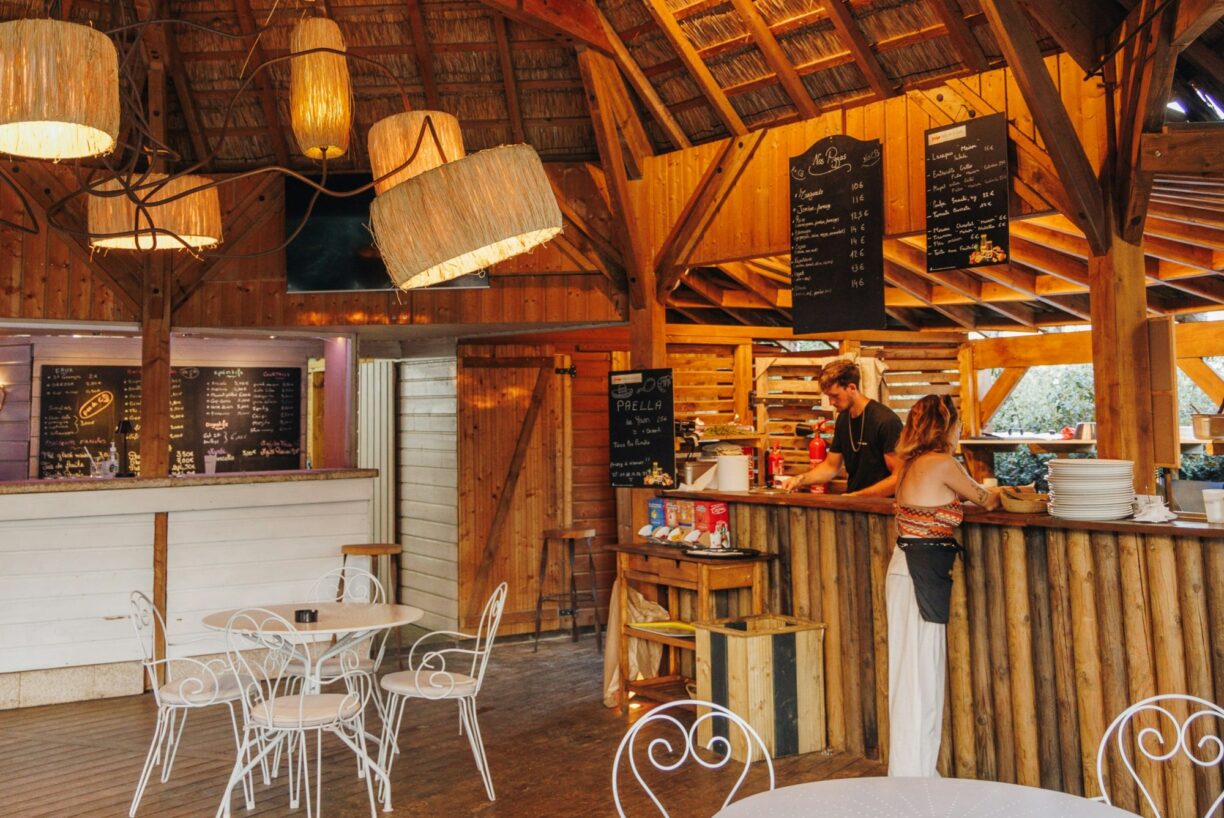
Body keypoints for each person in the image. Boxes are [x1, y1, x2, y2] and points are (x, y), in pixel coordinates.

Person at [888, 394, 1000, 777]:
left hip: (910, 569)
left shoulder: (912, 463)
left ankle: (916, 771)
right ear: (947, 425)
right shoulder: (941, 463)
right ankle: (912, 778)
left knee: (913, 674)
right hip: (919, 574)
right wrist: (1005, 491)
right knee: (921, 677)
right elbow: (985, 500)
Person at [781, 358, 903, 497]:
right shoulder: (843, 419)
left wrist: (859, 496)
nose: (831, 402)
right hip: (853, 502)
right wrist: (800, 479)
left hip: (880, 506)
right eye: (828, 396)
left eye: (835, 396)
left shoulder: (886, 421)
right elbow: (831, 466)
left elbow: (899, 477)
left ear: (852, 388)